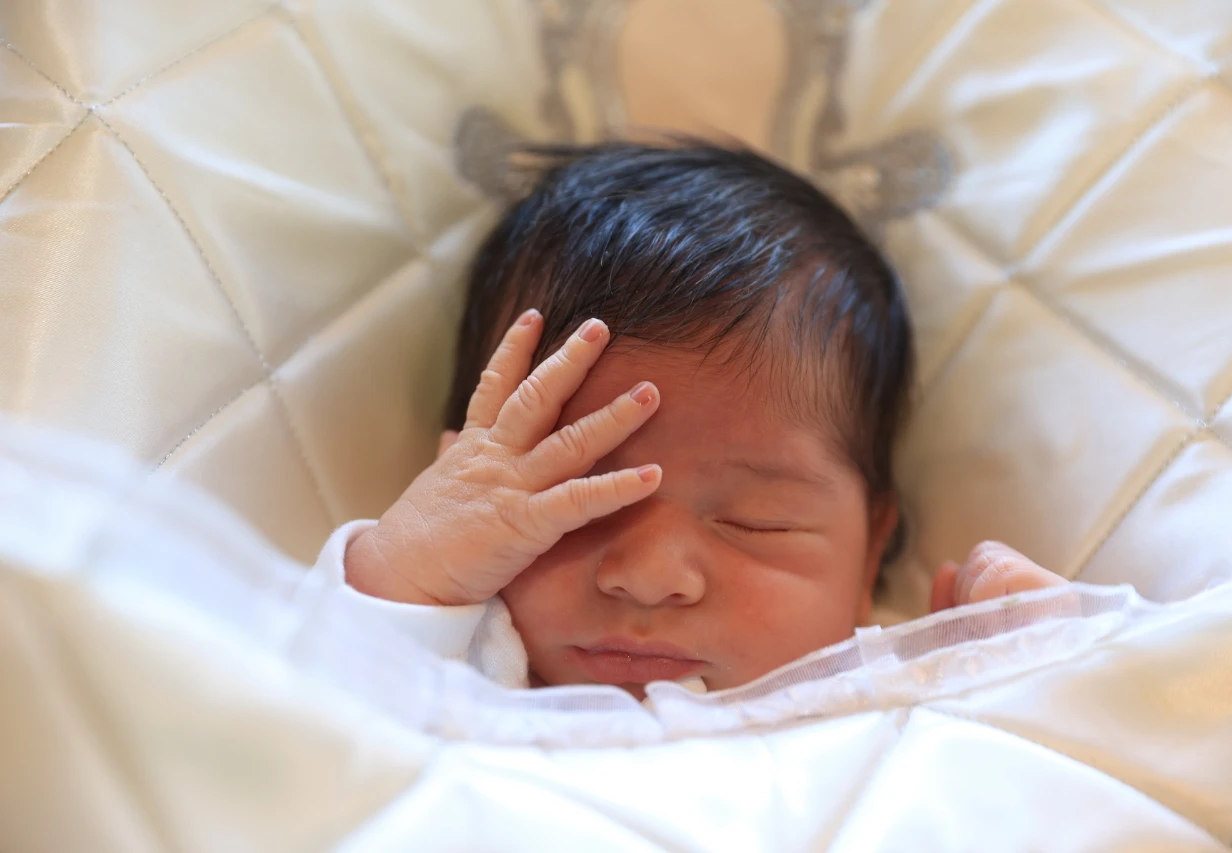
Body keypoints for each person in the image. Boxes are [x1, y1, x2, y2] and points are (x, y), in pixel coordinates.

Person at [313, 141, 1065, 700]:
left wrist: (1054, 674)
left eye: (756, 520)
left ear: (870, 554)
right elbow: (307, 738)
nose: (650, 578)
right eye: (567, 500)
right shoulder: (459, 665)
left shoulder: (899, 693)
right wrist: (406, 575)